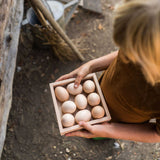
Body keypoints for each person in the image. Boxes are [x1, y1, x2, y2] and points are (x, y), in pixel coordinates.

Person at [56, 0, 160, 143]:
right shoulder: (147, 33)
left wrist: (109, 130)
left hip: (122, 121)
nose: (127, 55)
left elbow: (156, 134)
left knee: (97, 132)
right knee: (95, 117)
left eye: (135, 54)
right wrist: (92, 66)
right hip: (106, 89)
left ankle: (101, 136)